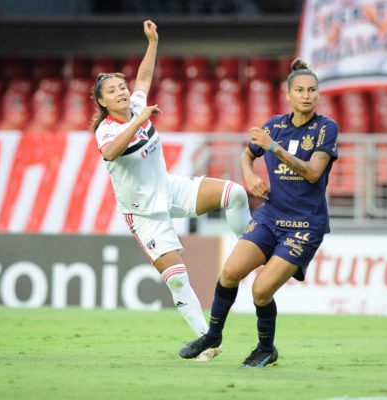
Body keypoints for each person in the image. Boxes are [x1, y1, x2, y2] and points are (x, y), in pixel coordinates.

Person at [91, 20, 251, 359]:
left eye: (122, 86)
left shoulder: (136, 104)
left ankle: (251, 246)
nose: (122, 91)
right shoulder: (106, 130)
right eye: (113, 90)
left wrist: (152, 42)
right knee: (177, 278)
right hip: (144, 212)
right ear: (103, 103)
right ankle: (208, 340)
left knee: (234, 193)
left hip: (170, 187)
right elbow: (109, 152)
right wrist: (138, 120)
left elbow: (145, 77)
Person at [179, 59, 339, 367]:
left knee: (261, 290)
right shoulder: (275, 125)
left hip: (304, 226)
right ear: (288, 94)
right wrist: (249, 176)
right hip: (270, 216)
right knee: (229, 273)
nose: (307, 95)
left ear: (318, 94)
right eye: (300, 90)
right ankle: (213, 335)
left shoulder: (325, 128)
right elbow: (246, 153)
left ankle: (266, 348)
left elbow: (312, 173)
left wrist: (274, 148)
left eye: (312, 90)